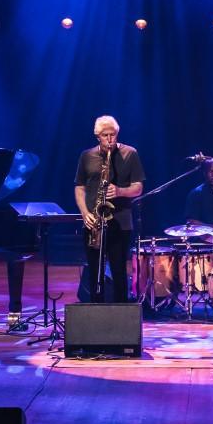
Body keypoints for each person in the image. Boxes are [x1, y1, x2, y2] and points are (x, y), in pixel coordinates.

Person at [75, 116, 144, 302]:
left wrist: (120, 191)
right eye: (105, 135)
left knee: (119, 270)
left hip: (121, 222)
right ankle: (96, 311)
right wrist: (85, 213)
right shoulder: (87, 156)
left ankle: (120, 311)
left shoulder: (130, 153)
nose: (109, 139)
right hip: (94, 222)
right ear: (97, 136)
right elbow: (79, 188)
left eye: (113, 134)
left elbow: (138, 187)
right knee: (94, 271)